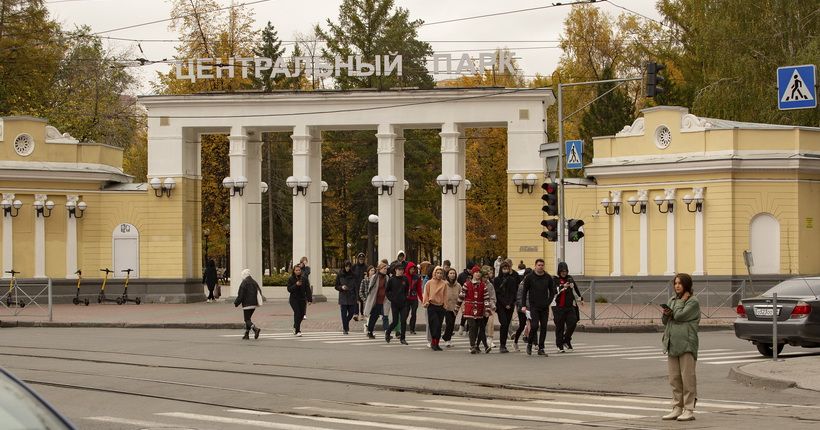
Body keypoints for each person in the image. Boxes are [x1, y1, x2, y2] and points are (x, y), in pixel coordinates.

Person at [661, 273, 700, 422]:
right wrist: (665, 313)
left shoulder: (693, 301)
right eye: (675, 283)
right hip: (672, 343)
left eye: (680, 283)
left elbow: (678, 316)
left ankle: (689, 409)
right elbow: (666, 321)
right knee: (674, 378)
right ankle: (677, 407)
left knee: (687, 378)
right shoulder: (671, 300)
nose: (677, 286)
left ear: (687, 285)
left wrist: (680, 303)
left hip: (687, 344)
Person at [518, 258, 556, 356]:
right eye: (539, 265)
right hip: (533, 306)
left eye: (542, 265)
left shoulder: (548, 277)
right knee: (534, 326)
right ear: (535, 266)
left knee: (544, 327)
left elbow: (552, 292)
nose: (540, 267)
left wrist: (548, 301)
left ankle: (541, 348)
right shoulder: (530, 277)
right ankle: (530, 343)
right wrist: (523, 305)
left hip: (544, 307)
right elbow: (524, 292)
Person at [456, 265, 496, 354]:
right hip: (469, 309)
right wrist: (457, 308)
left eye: (479, 272)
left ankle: (479, 346)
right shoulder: (467, 284)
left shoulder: (483, 285)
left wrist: (487, 310)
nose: (477, 274)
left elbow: (486, 298)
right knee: (472, 326)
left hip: (479, 310)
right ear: (473, 274)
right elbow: (461, 297)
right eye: (476, 272)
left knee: (479, 327)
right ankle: (472, 346)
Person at [552, 262, 583, 352]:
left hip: (569, 306)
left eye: (565, 271)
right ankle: (559, 345)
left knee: (573, 322)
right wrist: (562, 286)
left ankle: (566, 339)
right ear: (559, 271)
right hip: (558, 307)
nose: (564, 273)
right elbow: (554, 290)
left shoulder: (570, 278)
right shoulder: (555, 279)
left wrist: (580, 298)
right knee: (560, 326)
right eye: (562, 271)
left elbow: (575, 288)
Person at [493, 261, 519, 353]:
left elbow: (513, 292)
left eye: (507, 268)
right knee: (503, 324)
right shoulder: (496, 280)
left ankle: (504, 345)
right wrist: (505, 304)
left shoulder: (511, 279)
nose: (505, 270)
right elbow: (497, 293)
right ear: (501, 269)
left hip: (510, 305)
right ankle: (502, 345)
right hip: (501, 305)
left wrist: (510, 303)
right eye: (504, 268)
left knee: (507, 324)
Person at [422, 266, 448, 351]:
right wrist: (425, 302)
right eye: (438, 273)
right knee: (434, 325)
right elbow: (426, 293)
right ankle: (433, 342)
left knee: (439, 326)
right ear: (434, 273)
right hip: (431, 306)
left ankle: (437, 343)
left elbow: (445, 295)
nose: (439, 275)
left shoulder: (444, 284)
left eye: (441, 273)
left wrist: (445, 305)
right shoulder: (429, 283)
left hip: (441, 306)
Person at [362, 263, 390, 339]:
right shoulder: (375, 277)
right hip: (376, 301)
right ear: (380, 269)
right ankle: (370, 332)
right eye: (384, 268)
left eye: (386, 269)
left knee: (385, 316)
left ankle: (387, 333)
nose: (385, 270)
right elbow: (370, 289)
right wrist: (369, 299)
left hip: (384, 301)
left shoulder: (387, 277)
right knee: (373, 317)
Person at [233, 269, 262, 340]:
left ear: (244, 275)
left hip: (247, 304)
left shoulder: (244, 283)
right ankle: (247, 334)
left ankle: (255, 329)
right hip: (254, 304)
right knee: (248, 319)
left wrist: (236, 303)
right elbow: (259, 291)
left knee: (247, 320)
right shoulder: (254, 282)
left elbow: (241, 295)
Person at [385, 264, 410, 344]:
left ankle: (402, 338)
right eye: (399, 270)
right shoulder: (392, 280)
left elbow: (407, 289)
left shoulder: (405, 279)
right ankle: (388, 333)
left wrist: (405, 297)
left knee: (403, 321)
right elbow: (387, 291)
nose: (401, 271)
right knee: (395, 321)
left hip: (403, 304)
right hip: (395, 304)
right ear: (395, 270)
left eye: (402, 270)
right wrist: (391, 298)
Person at [287, 264, 312, 336]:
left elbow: (308, 289)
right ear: (294, 271)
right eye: (296, 270)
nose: (298, 271)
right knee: (297, 313)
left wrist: (309, 299)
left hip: (302, 299)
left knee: (302, 315)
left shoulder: (304, 279)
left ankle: (295, 326)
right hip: (294, 299)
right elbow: (289, 289)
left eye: (299, 270)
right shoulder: (291, 279)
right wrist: (296, 285)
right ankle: (298, 330)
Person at [335, 261, 358, 334]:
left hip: (352, 296)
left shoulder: (354, 275)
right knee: (343, 314)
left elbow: (356, 287)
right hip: (343, 297)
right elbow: (336, 286)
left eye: (349, 266)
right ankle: (345, 328)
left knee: (351, 313)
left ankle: (346, 323)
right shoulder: (340, 275)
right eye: (346, 266)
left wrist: (357, 298)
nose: (347, 268)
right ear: (344, 266)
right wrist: (341, 287)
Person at [442, 268, 461, 348]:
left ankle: (447, 338)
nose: (452, 275)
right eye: (451, 273)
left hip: (455, 307)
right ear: (447, 275)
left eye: (454, 273)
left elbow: (461, 295)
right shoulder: (444, 284)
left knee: (452, 324)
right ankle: (446, 339)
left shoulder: (458, 285)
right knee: (449, 323)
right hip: (446, 307)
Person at [456, 262, 475, 336]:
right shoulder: (461, 275)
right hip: (463, 297)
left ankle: (468, 330)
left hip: (472, 297)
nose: (471, 271)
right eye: (470, 269)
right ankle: (461, 326)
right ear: (467, 269)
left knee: (471, 313)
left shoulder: (474, 275)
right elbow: (458, 285)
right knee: (465, 312)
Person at [405, 261, 423, 335]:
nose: (412, 270)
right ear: (408, 269)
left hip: (414, 298)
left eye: (413, 269)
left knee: (414, 314)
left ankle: (412, 329)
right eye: (411, 269)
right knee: (405, 314)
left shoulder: (417, 277)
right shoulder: (404, 276)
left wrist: (422, 299)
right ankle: (403, 327)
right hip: (406, 298)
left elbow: (419, 289)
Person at [351, 253, 368, 321]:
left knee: (362, 299)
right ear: (358, 259)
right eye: (360, 259)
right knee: (356, 299)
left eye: (362, 259)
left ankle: (362, 314)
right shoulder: (354, 266)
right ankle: (356, 314)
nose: (361, 260)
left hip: (363, 285)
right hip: (356, 285)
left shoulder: (366, 267)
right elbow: (351, 274)